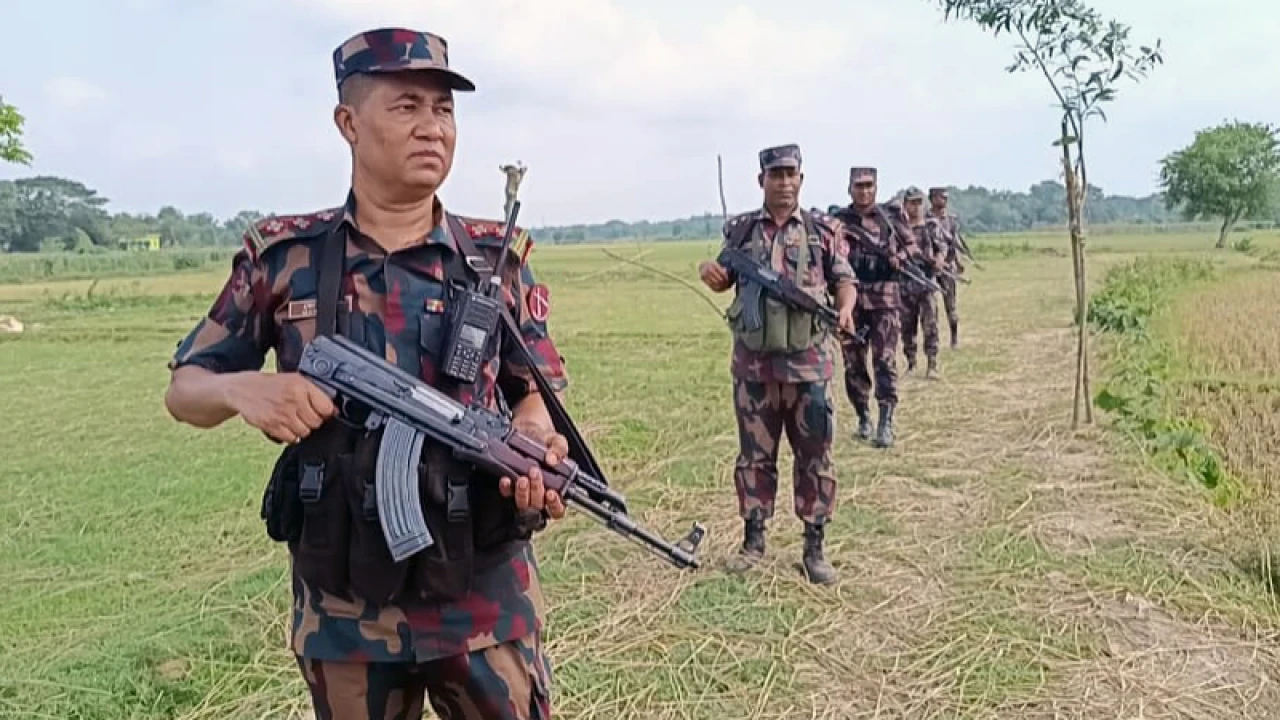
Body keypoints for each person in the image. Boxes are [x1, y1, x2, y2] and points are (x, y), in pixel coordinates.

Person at [162, 27, 570, 720]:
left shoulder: (493, 261)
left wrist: (534, 444)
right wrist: (245, 389)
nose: (432, 129)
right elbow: (184, 388)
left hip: (483, 594)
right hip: (343, 603)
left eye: (444, 111)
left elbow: (537, 394)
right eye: (407, 106)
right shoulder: (285, 258)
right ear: (348, 123)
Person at [697, 144, 857, 585]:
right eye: (775, 174)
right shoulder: (742, 231)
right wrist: (711, 274)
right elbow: (725, 278)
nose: (784, 182)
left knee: (816, 459)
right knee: (754, 459)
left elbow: (845, 281)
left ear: (801, 180)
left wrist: (844, 310)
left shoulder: (824, 231)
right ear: (761, 180)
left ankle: (814, 547)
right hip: (755, 371)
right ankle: (754, 542)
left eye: (791, 174)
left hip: (811, 370)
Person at [831, 167, 919, 449]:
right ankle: (863, 416)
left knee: (885, 360)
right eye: (859, 186)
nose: (864, 191)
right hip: (851, 301)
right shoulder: (839, 222)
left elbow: (913, 247)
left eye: (869, 185)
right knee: (853, 363)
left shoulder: (890, 218)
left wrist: (899, 257)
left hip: (885, 300)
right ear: (849, 189)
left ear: (877, 187)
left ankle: (886, 421)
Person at [899, 187, 946, 378]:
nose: (916, 206)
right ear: (905, 204)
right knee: (907, 327)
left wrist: (939, 260)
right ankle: (911, 364)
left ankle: (932, 365)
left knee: (930, 325)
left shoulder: (931, 226)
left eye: (919, 202)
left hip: (926, 283)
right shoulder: (898, 228)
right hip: (906, 283)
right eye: (912, 202)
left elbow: (941, 248)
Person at [928, 187, 964, 348]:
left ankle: (954, 338)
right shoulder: (925, 219)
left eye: (945, 197)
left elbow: (955, 242)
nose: (944, 200)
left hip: (947, 267)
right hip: (930, 267)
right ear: (933, 198)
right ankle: (933, 341)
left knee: (951, 305)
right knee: (930, 306)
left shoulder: (951, 220)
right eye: (941, 197)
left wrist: (958, 261)